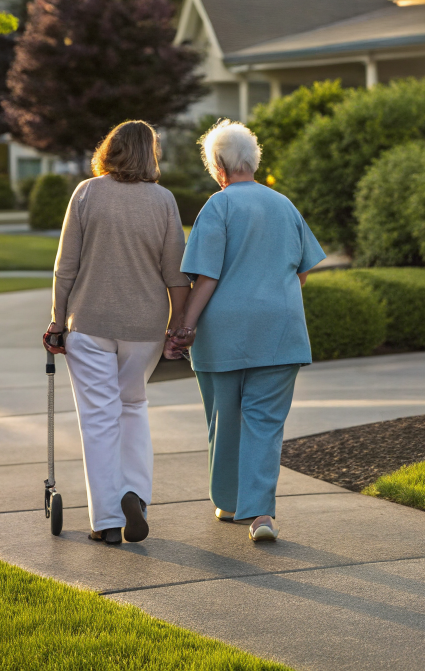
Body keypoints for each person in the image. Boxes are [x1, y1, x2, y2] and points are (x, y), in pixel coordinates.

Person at [168, 119, 324, 542]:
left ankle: (230, 502)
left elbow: (206, 278)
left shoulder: (217, 207)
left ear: (218, 164)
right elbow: (304, 272)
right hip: (281, 330)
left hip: (225, 332)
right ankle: (260, 515)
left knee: (224, 417)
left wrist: (184, 327)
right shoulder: (284, 205)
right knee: (265, 423)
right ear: (252, 161)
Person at [42, 120, 190, 545]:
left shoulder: (87, 193)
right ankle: (136, 498)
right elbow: (176, 275)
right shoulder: (163, 201)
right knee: (133, 407)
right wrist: (177, 328)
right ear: (150, 155)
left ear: (110, 149)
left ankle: (107, 519)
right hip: (143, 329)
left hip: (89, 324)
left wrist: (57, 320)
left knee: (98, 420)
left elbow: (65, 266)